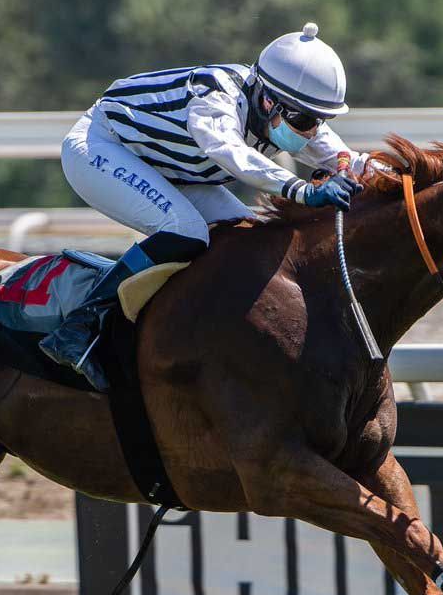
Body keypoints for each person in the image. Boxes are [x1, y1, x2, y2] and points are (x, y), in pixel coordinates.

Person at [40, 22, 369, 391]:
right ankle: (78, 328)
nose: (311, 132)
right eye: (305, 120)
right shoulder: (214, 95)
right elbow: (232, 154)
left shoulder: (282, 106)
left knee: (251, 237)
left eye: (320, 120)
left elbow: (344, 156)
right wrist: (303, 191)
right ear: (266, 101)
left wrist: (387, 174)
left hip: (169, 167)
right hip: (101, 148)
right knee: (186, 232)